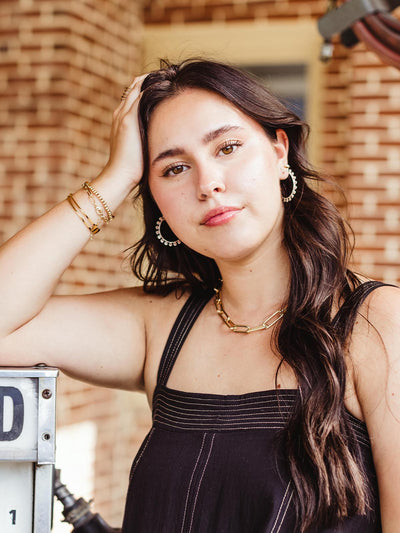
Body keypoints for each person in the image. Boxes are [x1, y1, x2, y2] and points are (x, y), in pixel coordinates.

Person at [0, 58, 399, 533]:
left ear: (279, 152)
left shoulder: (375, 322)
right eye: (173, 169)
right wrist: (112, 180)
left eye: (228, 147)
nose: (207, 183)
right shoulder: (163, 326)